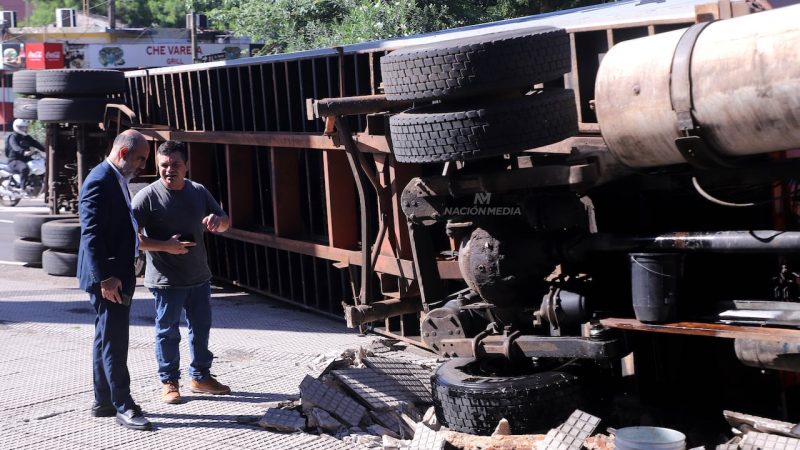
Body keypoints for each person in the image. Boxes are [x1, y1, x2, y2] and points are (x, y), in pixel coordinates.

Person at [132, 140, 231, 405]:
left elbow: (225, 222)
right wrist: (166, 246)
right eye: (163, 165)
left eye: (175, 164)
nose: (169, 170)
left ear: (186, 166)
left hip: (198, 276)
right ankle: (169, 382)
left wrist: (217, 222)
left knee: (200, 328)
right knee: (168, 332)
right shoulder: (147, 197)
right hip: (166, 281)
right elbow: (131, 238)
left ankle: (200, 377)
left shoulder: (198, 191)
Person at [77, 129, 152, 431]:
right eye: (140, 159)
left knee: (105, 337)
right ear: (123, 154)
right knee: (116, 342)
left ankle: (104, 401)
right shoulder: (99, 180)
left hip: (113, 275)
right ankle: (124, 405)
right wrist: (106, 277)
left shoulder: (115, 178)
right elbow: (91, 234)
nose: (143, 166)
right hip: (109, 278)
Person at [5, 118, 44, 188]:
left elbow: (35, 143)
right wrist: (23, 152)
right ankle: (22, 188)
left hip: (25, 159)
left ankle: (37, 184)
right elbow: (15, 147)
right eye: (22, 127)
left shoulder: (26, 137)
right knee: (24, 168)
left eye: (26, 127)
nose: (25, 129)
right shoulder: (13, 137)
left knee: (40, 165)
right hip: (14, 161)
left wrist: (45, 149)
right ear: (17, 127)